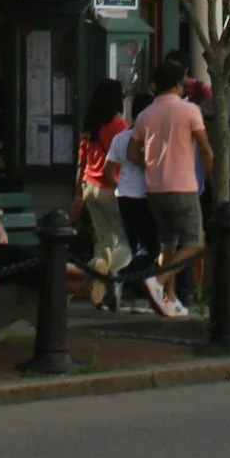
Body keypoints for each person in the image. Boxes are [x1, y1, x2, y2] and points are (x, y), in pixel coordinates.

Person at [130, 56, 209, 319]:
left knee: (168, 243)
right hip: (183, 186)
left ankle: (169, 299)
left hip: (154, 188)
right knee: (195, 241)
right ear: (178, 84)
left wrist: (152, 160)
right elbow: (206, 149)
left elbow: (132, 153)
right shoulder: (189, 111)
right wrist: (213, 175)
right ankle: (158, 281)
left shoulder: (145, 114)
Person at [75, 79, 131, 306]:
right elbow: (126, 160)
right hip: (111, 188)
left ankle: (106, 294)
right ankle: (100, 272)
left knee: (103, 241)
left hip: (89, 187)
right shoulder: (119, 126)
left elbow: (81, 162)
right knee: (125, 244)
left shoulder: (89, 125)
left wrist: (78, 193)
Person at [110, 114, 158, 309]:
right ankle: (123, 278)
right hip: (143, 196)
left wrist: (119, 184)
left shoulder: (119, 138)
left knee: (135, 246)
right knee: (152, 248)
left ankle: (129, 290)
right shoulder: (151, 137)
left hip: (123, 195)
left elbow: (108, 168)